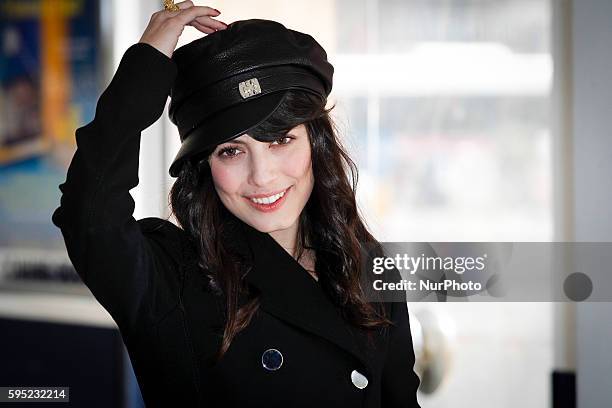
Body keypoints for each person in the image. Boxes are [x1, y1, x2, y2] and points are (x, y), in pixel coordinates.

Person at [52, 1, 421, 407]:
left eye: (280, 140)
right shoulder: (172, 277)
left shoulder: (365, 263)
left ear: (316, 144)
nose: (261, 176)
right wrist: (148, 60)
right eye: (231, 151)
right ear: (205, 165)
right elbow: (89, 212)